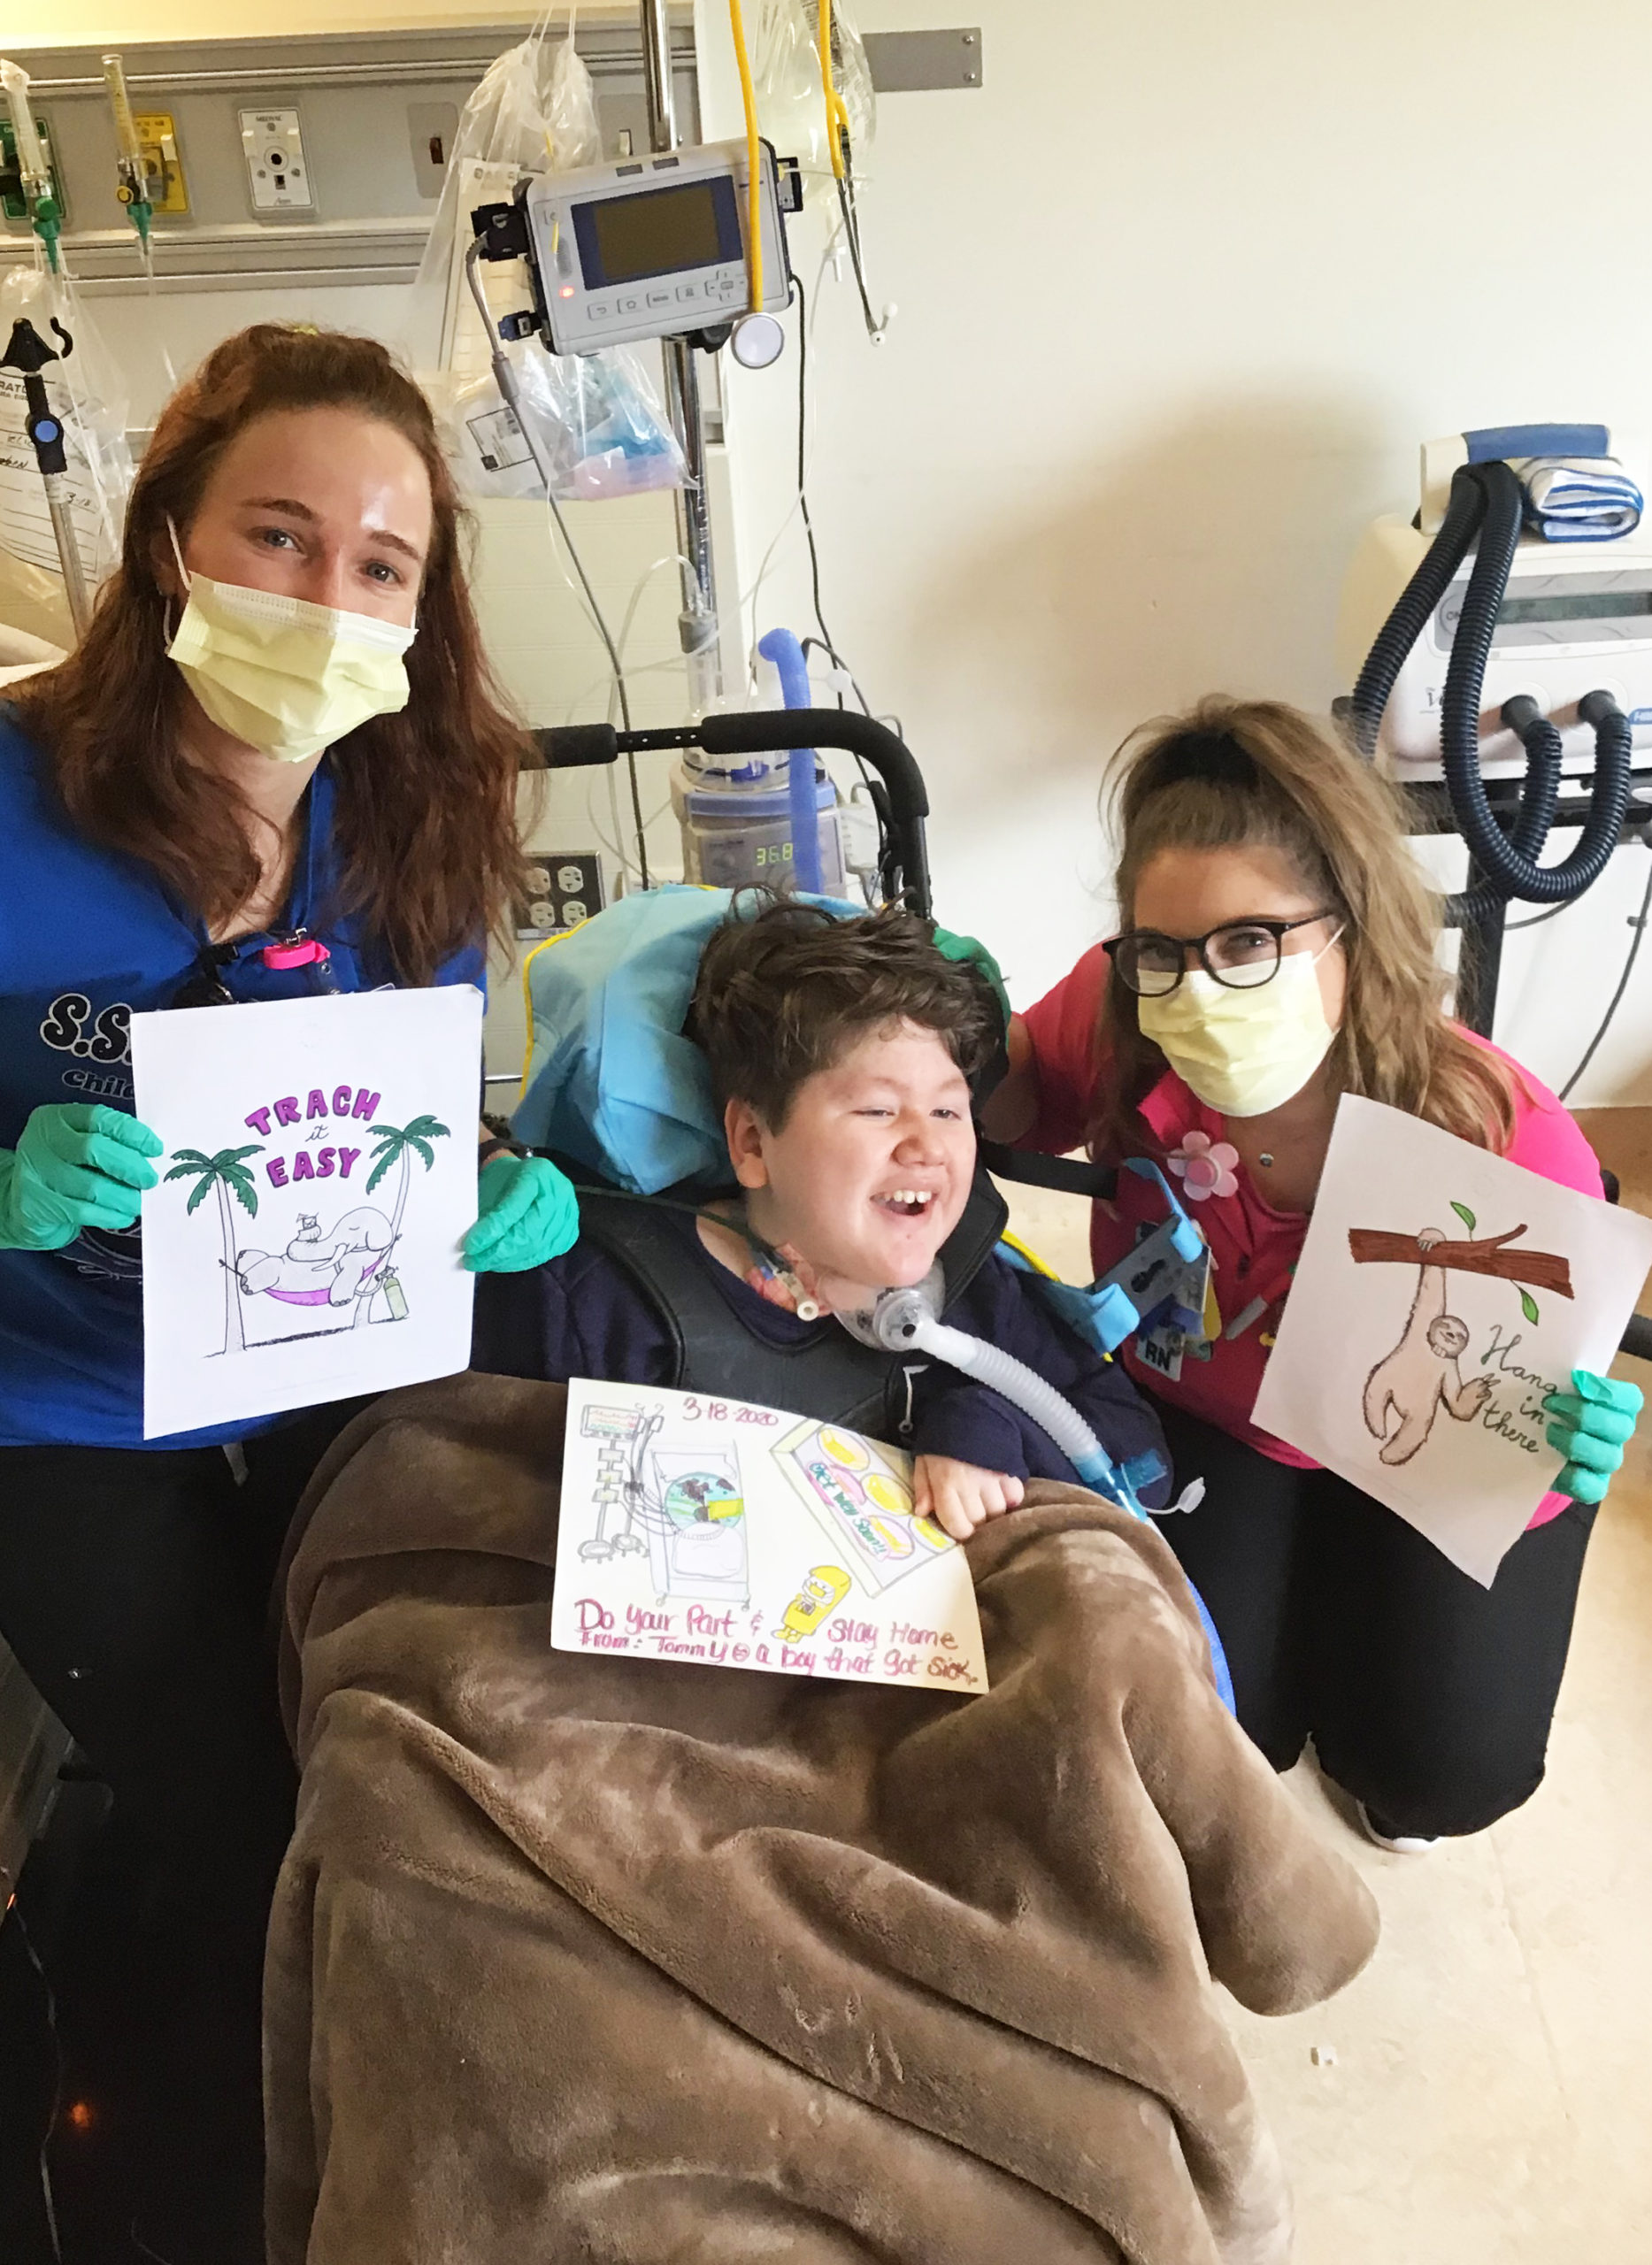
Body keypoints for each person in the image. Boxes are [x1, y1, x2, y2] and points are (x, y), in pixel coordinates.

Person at [0, 326, 580, 2261]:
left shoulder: (418, 814)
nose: (328, 597)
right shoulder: (14, 802)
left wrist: (494, 1188)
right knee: (248, 1816)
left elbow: (417, 1100)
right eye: (280, 534)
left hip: (331, 1361)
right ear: (171, 537)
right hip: (63, 1404)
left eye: (380, 563)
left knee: (421, 1747)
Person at [983, 697, 1641, 1854]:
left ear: (1350, 926)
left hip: (1422, 1456)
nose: (1196, 991)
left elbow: (1512, 1432)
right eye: (1160, 950)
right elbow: (1012, 1107)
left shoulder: (1502, 1140)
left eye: (1249, 942)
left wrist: (1560, 1450)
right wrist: (952, 1022)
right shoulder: (1124, 1016)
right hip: (1209, 1413)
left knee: (1442, 1771)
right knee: (1211, 1731)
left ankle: (1366, 1630)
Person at [473, 898, 1171, 1537]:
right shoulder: (599, 1306)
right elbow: (465, 1499)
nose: (927, 1146)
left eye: (947, 1110)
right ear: (752, 1142)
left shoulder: (977, 1294)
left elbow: (1142, 1465)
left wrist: (989, 1425)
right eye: (878, 1109)